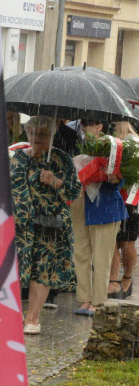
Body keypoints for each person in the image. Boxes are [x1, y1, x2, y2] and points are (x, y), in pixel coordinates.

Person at [10, 115, 81, 333]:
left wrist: (55, 181)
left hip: (50, 225)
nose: (37, 137)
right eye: (33, 133)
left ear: (51, 135)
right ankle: (14, 316)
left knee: (42, 270)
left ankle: (33, 318)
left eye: (42, 134)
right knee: (15, 270)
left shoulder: (61, 159)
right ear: (27, 133)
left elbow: (75, 191)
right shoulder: (17, 158)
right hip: (20, 225)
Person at [72, 120, 128, 316]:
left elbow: (123, 181)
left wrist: (115, 179)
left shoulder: (114, 147)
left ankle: (98, 300)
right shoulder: (77, 145)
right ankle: (84, 299)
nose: (84, 127)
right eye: (83, 123)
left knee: (102, 256)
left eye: (89, 123)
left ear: (100, 126)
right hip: (81, 204)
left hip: (106, 206)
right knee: (80, 253)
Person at [109, 120, 138, 299]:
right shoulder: (113, 141)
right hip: (115, 195)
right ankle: (113, 281)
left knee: (126, 242)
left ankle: (127, 278)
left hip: (132, 198)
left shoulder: (133, 141)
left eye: (114, 123)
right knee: (112, 240)